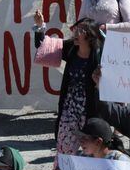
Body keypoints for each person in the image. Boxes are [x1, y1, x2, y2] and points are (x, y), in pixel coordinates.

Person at [33, 13, 104, 154]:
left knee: (91, 152)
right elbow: (43, 46)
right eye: (75, 29)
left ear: (90, 36)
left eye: (80, 30)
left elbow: (124, 57)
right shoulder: (70, 48)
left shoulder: (101, 54)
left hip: (90, 110)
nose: (75, 32)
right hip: (69, 109)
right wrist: (40, 26)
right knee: (64, 150)